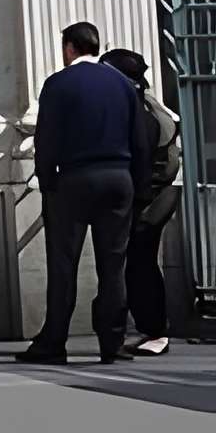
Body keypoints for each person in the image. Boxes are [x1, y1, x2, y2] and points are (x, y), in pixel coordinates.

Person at [24, 20, 141, 365]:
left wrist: (46, 182)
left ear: (69, 48)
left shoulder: (59, 84)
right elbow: (140, 139)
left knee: (63, 264)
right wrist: (138, 183)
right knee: (113, 264)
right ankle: (112, 341)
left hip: (74, 179)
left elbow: (47, 139)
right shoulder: (123, 84)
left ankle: (54, 341)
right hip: (119, 178)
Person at [107, 48, 184, 356]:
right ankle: (150, 329)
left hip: (151, 198)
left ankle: (155, 331)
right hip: (153, 195)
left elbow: (149, 160)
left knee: (141, 264)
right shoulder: (145, 104)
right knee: (138, 263)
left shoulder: (142, 110)